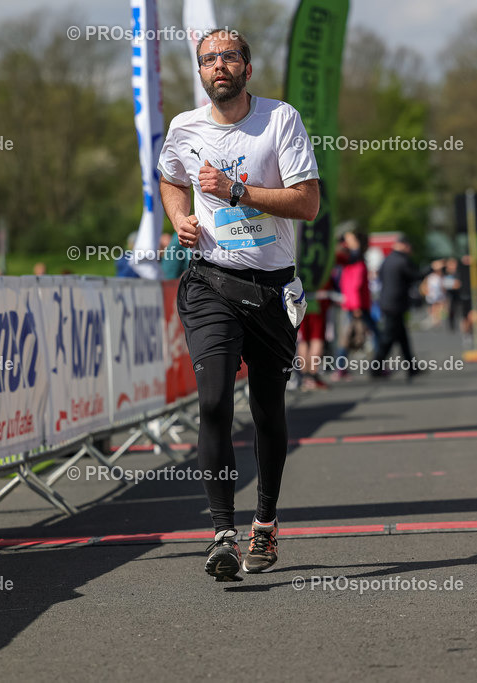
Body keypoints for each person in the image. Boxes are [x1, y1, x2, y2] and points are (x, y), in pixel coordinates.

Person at [157, 28, 320, 580]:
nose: (218, 65)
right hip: (210, 284)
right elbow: (170, 176)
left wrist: (236, 192)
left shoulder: (280, 120)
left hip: (271, 287)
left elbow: (308, 203)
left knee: (268, 412)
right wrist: (179, 218)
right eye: (208, 59)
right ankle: (222, 533)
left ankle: (266, 526)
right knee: (213, 403)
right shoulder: (185, 127)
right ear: (200, 73)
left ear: (247, 69)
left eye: (229, 57)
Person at [372, 235, 420, 379]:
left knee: (402, 337)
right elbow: (415, 276)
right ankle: (375, 367)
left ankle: (411, 367)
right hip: (395, 304)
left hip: (387, 302)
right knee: (388, 338)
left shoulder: (387, 260)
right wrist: (431, 268)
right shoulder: (402, 261)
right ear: (405, 246)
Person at [333, 231, 378, 379]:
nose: (346, 241)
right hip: (357, 305)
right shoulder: (354, 260)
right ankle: (378, 364)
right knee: (373, 335)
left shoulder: (353, 258)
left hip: (354, 304)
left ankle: (341, 368)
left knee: (348, 336)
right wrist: (357, 306)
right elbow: (354, 285)